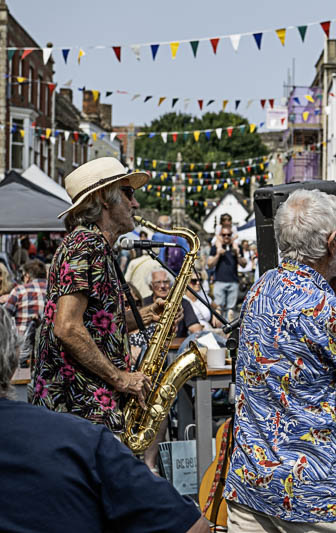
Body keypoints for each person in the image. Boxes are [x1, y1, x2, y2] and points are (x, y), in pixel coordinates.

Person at [223, 189, 336, 532]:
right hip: (311, 493)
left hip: (252, 482)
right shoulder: (326, 310)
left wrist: (335, 285)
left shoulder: (261, 287)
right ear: (332, 242)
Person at [0, 307, 209, 533]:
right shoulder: (81, 441)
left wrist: (145, 315)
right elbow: (195, 527)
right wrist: (120, 378)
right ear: (15, 357)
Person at [31, 157, 170, 434]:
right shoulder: (86, 245)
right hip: (80, 408)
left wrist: (146, 315)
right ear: (104, 199)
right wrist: (121, 379)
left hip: (86, 408)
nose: (135, 204)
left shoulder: (93, 245)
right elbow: (67, 327)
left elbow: (96, 324)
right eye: (128, 193)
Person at [141, 268, 201, 339]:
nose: (162, 286)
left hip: (176, 344)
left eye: (166, 282)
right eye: (158, 282)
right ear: (151, 286)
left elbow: (196, 329)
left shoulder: (183, 302)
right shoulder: (143, 303)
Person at [209, 226, 247, 318]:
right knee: (218, 307)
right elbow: (210, 264)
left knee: (231, 310)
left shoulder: (236, 247)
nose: (226, 236)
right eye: (224, 235)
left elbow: (244, 264)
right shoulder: (215, 247)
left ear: (231, 235)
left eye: (229, 234)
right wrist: (218, 254)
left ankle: (228, 327)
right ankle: (220, 326)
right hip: (219, 281)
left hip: (233, 281)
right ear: (220, 235)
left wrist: (237, 254)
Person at [3, 259, 47, 336]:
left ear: (27, 276)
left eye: (23, 277)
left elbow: (4, 316)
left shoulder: (20, 290)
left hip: (22, 340)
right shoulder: (54, 290)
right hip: (47, 341)